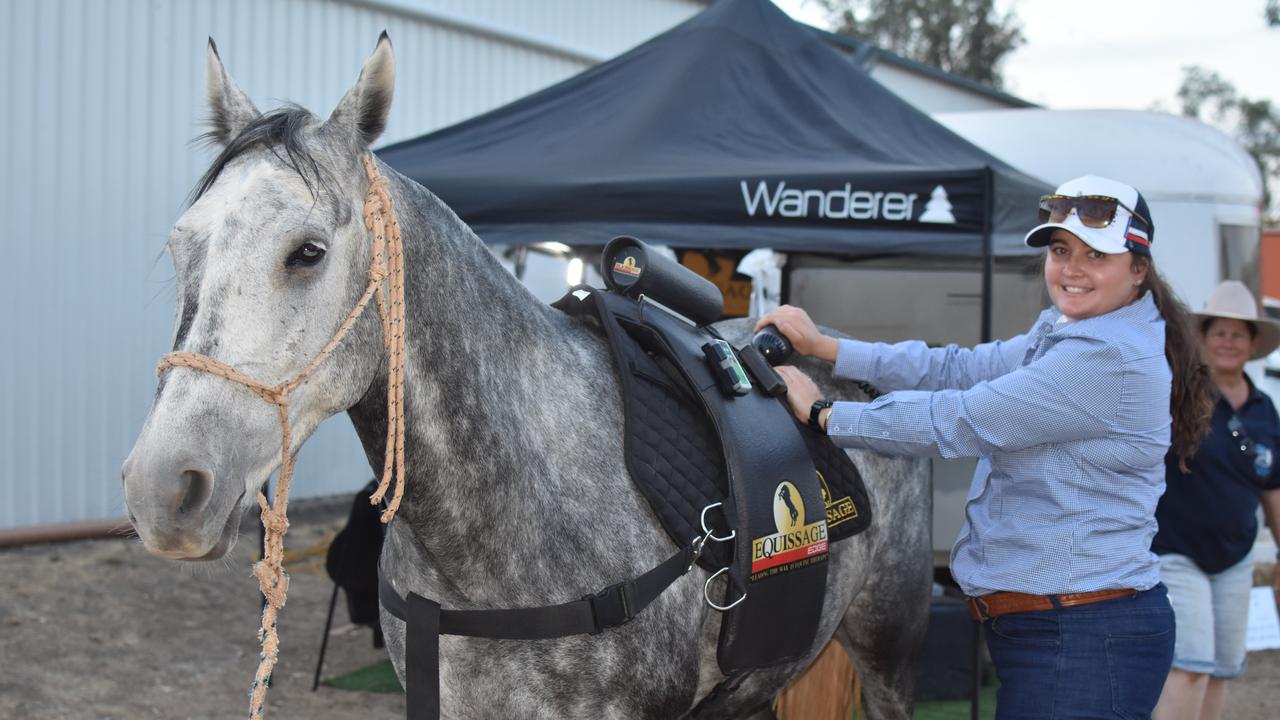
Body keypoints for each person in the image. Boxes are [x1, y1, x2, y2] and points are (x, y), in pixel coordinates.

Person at [758, 175, 1213, 719]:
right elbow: (958, 368)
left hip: (1081, 637)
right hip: (1064, 628)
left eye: (1097, 255)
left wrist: (823, 414)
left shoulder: (1104, 356)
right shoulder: (1070, 330)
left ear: (1138, 270)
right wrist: (828, 348)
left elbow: (963, 419)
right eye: (1061, 250)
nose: (1072, 268)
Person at [1151, 281, 1280, 720]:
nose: (1228, 342)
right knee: (1189, 667)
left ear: (1253, 343)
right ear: (1202, 338)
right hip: (1176, 551)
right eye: (1219, 333)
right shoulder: (1181, 395)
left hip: (1236, 558)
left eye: (1238, 334)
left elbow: (1272, 488)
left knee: (1222, 669)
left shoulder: (1265, 410)